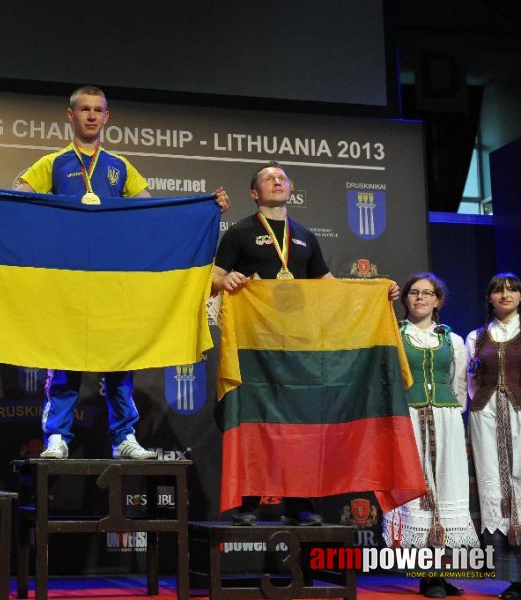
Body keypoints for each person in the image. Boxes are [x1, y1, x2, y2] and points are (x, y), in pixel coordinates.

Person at [14, 85, 230, 460]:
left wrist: (205, 210)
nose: (92, 116)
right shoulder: (53, 163)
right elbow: (18, 196)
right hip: (68, 279)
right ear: (71, 115)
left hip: (112, 281)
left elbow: (150, 216)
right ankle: (57, 437)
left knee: (120, 358)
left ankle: (123, 438)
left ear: (107, 117)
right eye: (84, 109)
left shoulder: (119, 167)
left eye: (98, 110)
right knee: (64, 358)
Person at [211, 160, 399, 526]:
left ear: (290, 189)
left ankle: (300, 504)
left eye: (282, 178)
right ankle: (248, 503)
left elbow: (329, 288)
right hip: (254, 345)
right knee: (253, 422)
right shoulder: (239, 233)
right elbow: (214, 277)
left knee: (301, 423)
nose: (277, 181)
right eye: (268, 179)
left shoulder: (306, 237)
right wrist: (224, 280)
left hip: (300, 345)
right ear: (255, 193)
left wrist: (376, 293)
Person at [382, 273, 476, 599]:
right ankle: (427, 577)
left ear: (438, 300)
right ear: (406, 299)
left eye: (428, 293)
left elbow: (459, 384)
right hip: (408, 418)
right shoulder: (395, 334)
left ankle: (444, 571)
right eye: (414, 293)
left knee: (447, 491)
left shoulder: (454, 340)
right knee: (418, 494)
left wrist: (450, 414)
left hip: (446, 419)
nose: (420, 298)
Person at [467, 272, 521, 600]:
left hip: (519, 413)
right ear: (489, 298)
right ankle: (513, 577)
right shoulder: (477, 336)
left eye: (512, 290)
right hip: (486, 416)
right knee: (494, 485)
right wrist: (483, 404)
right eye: (498, 291)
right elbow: (471, 380)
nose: (505, 295)